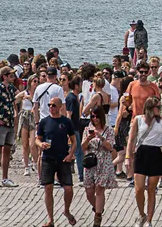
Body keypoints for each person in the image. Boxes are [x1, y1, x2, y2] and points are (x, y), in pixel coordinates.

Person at [126, 94, 162, 227]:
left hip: (155, 153)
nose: (159, 109)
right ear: (150, 108)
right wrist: (128, 157)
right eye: (157, 107)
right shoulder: (138, 119)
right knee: (139, 188)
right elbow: (131, 139)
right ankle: (142, 214)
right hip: (141, 153)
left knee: (151, 189)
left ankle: (149, 220)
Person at [37, 96, 79, 227]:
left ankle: (66, 210)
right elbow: (37, 139)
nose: (51, 107)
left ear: (60, 107)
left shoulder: (66, 122)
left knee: (68, 189)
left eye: (54, 105)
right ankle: (50, 219)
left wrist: (71, 154)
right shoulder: (44, 121)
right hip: (48, 158)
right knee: (48, 188)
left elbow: (74, 141)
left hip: (63, 158)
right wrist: (40, 144)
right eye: (49, 105)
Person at [81, 110, 117, 227]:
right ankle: (98, 208)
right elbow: (83, 147)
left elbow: (110, 147)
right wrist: (88, 139)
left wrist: (101, 138)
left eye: (97, 116)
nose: (95, 119)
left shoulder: (109, 130)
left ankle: (97, 218)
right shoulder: (87, 129)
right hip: (90, 162)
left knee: (100, 189)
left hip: (104, 161)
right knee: (89, 191)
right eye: (93, 116)